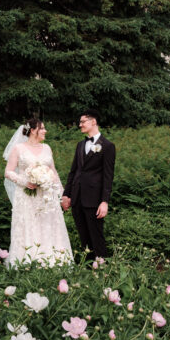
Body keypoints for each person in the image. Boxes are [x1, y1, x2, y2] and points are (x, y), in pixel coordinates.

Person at [3, 117, 73, 266]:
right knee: (29, 227)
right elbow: (8, 172)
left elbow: (53, 172)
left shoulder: (47, 148)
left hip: (47, 197)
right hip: (27, 197)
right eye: (42, 128)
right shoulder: (19, 149)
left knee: (49, 226)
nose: (45, 131)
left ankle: (54, 262)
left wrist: (62, 195)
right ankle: (28, 263)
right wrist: (25, 182)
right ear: (33, 130)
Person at [61, 111, 115, 261]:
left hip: (94, 199)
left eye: (83, 121)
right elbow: (73, 172)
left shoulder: (108, 146)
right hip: (77, 198)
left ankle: (102, 266)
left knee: (96, 235)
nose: (80, 125)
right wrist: (66, 195)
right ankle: (89, 267)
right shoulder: (80, 145)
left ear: (93, 122)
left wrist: (104, 201)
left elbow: (108, 176)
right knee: (83, 235)